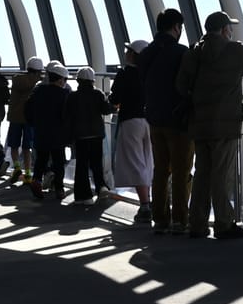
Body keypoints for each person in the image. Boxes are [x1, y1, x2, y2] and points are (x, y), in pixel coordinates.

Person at [177, 11, 243, 239]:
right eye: (230, 29)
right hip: (224, 123)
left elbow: (180, 85)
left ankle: (197, 224)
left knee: (203, 173)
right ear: (225, 30)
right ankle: (224, 223)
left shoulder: (193, 52)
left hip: (199, 123)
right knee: (221, 174)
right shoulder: (234, 50)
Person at [137, 8, 191, 234]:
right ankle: (180, 220)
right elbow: (188, 84)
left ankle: (160, 219)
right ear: (176, 27)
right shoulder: (181, 52)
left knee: (161, 170)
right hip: (178, 121)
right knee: (181, 171)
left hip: (154, 119)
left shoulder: (147, 54)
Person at [109, 39, 153, 226]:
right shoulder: (151, 74)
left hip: (130, 120)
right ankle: (149, 201)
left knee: (135, 162)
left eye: (129, 50)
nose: (126, 52)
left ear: (133, 55)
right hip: (149, 120)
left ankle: (145, 206)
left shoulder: (124, 74)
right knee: (147, 161)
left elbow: (115, 99)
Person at [65, 65, 113, 204]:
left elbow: (67, 117)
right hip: (96, 134)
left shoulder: (72, 96)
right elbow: (106, 110)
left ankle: (83, 196)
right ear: (92, 81)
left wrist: (68, 136)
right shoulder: (98, 94)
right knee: (96, 163)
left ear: (78, 81)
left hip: (80, 135)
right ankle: (101, 187)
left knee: (82, 165)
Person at [26, 60, 70, 200]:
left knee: (41, 159)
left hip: (41, 131)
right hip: (57, 133)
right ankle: (59, 189)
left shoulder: (38, 90)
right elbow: (66, 115)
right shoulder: (64, 95)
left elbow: (28, 108)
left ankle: (36, 180)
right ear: (61, 79)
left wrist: (33, 123)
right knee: (58, 161)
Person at [6, 56, 42, 182]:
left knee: (14, 144)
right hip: (29, 118)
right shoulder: (36, 83)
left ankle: (16, 168)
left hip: (15, 117)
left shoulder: (17, 79)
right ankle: (27, 174)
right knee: (28, 147)